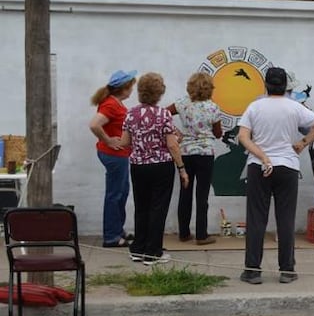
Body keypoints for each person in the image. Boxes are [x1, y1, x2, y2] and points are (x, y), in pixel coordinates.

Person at [238, 67, 314, 285]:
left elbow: (243, 136)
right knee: (285, 219)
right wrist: (303, 143)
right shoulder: (294, 107)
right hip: (287, 166)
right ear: (285, 85)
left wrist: (260, 154)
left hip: (259, 167)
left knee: (257, 218)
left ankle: (252, 270)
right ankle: (287, 269)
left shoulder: (255, 107)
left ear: (266, 84)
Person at [119, 72, 189, 265]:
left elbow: (125, 141)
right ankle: (153, 252)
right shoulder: (163, 114)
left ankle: (138, 248)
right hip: (161, 165)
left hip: (138, 165)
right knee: (158, 207)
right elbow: (172, 145)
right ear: (159, 93)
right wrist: (181, 168)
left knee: (141, 206)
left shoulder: (131, 113)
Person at [167, 72, 223, 245]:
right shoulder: (213, 107)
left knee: (185, 193)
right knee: (202, 195)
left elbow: (164, 114)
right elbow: (218, 133)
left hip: (185, 153)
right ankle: (201, 234)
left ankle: (184, 233)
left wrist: (177, 132)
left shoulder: (182, 103)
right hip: (205, 154)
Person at [89, 69, 137, 248]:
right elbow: (94, 124)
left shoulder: (114, 102)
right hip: (114, 155)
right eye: (131, 86)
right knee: (115, 194)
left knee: (121, 192)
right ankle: (111, 236)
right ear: (124, 88)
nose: (132, 89)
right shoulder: (111, 105)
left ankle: (118, 230)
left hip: (118, 155)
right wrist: (108, 140)